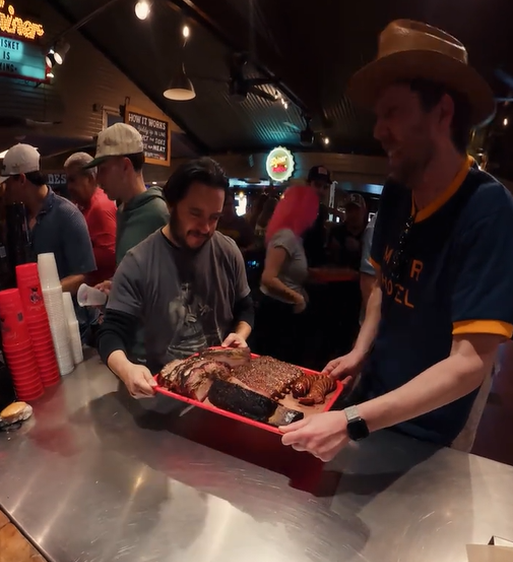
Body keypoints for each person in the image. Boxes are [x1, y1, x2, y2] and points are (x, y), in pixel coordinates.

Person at [280, 19, 513, 461]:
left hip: (432, 433)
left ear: (442, 112)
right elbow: (382, 287)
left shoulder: (489, 212)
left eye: (392, 111)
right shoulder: (396, 192)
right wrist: (360, 351)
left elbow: (470, 362)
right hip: (371, 400)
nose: (377, 130)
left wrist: (355, 421)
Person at [96, 157, 254, 398]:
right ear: (171, 205)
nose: (206, 228)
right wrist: (127, 370)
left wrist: (240, 335)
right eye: (195, 213)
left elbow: (245, 307)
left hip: (218, 385)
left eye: (214, 217)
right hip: (162, 391)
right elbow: (110, 333)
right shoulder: (137, 262)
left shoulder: (228, 251)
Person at [0, 143, 96, 303]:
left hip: (70, 319)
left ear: (22, 179)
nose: (5, 188)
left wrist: (40, 295)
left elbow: (82, 276)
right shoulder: (18, 215)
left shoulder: (67, 214)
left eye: (8, 183)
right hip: (37, 317)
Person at [84, 123, 169, 281]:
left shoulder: (159, 213)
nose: (98, 180)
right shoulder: (123, 210)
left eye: (103, 169)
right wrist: (114, 284)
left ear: (125, 166)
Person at [251, 185, 318, 364]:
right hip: (278, 313)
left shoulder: (293, 236)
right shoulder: (286, 235)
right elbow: (268, 278)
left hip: (282, 312)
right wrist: (298, 298)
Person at [64, 152, 116, 285]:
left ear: (91, 179)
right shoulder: (82, 206)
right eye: (67, 181)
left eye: (73, 180)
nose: (69, 187)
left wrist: (74, 253)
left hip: (102, 291)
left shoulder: (100, 207)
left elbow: (110, 253)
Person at [327, 193, 368, 270]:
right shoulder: (336, 232)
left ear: (364, 211)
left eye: (356, 210)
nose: (353, 214)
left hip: (362, 279)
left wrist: (360, 249)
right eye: (349, 210)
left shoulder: (370, 233)